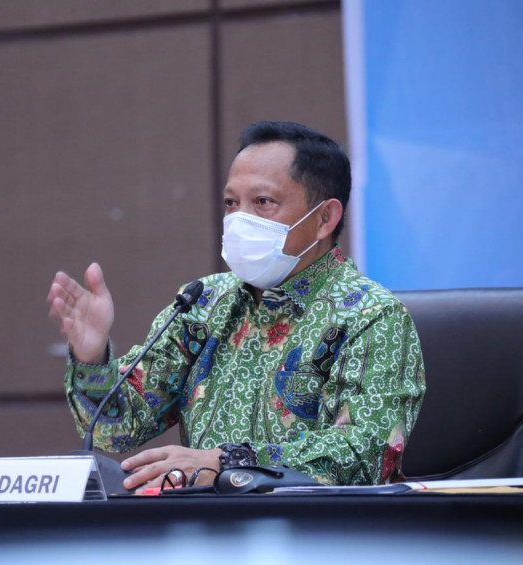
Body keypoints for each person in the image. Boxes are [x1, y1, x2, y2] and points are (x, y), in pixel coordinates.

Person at [47, 121, 426, 492]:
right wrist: (92, 357)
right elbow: (117, 430)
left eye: (263, 202)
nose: (240, 219)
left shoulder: (371, 314)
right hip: (202, 526)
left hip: (318, 528)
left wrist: (229, 462)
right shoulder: (203, 302)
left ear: (325, 218)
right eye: (232, 203)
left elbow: (364, 456)